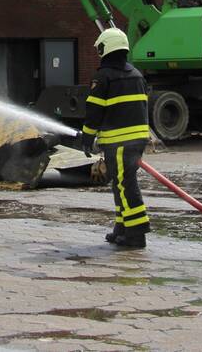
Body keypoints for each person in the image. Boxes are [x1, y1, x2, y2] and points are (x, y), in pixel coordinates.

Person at [80, 27, 151, 249]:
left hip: (119, 141)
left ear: (106, 48)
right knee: (120, 184)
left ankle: (136, 234)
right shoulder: (136, 74)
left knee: (125, 185)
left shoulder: (104, 77)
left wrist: (86, 137)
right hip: (136, 140)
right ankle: (122, 228)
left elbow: (94, 112)